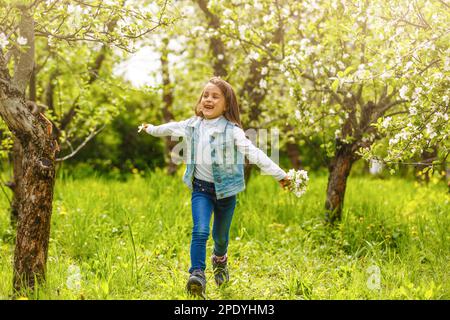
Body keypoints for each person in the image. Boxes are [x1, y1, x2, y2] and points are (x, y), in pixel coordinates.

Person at [141, 77, 291, 297]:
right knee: (200, 230)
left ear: (226, 104)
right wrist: (150, 128)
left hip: (226, 193)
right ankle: (197, 275)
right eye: (205, 95)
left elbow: (253, 152)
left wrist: (280, 174)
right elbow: (170, 127)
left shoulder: (233, 131)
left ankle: (220, 261)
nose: (208, 99)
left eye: (215, 96)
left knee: (220, 237)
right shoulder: (193, 124)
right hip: (201, 189)